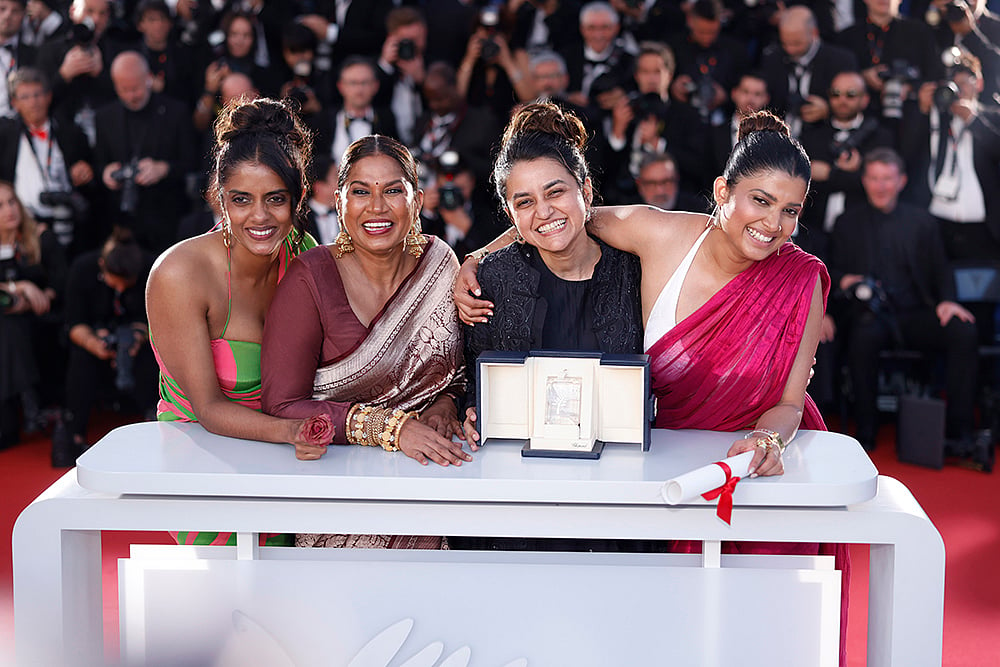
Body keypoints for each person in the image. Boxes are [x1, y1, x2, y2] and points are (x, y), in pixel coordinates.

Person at [456, 109, 849, 665]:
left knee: (768, 631)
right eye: (759, 200)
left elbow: (789, 403)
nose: (773, 224)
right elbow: (557, 213)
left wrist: (768, 442)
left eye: (790, 210)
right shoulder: (658, 233)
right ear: (722, 191)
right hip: (669, 469)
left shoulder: (801, 277)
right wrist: (475, 257)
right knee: (678, 632)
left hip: (756, 471)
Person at [261, 134, 470, 549]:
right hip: (340, 487)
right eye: (360, 191)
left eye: (393, 190)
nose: (376, 206)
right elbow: (281, 405)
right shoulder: (310, 276)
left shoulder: (440, 263)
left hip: (435, 479)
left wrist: (444, 406)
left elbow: (454, 372)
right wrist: (391, 428)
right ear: (339, 202)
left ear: (418, 200)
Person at [146, 97, 329, 544]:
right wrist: (293, 432)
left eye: (276, 199)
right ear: (218, 197)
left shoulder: (303, 253)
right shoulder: (180, 273)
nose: (260, 217)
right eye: (241, 200)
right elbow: (208, 410)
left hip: (292, 461)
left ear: (299, 197)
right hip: (204, 467)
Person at [460, 101, 642, 448]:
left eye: (555, 192)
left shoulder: (635, 271)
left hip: (626, 461)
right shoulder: (492, 279)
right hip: (518, 470)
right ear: (510, 214)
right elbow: (472, 376)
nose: (544, 212)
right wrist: (472, 410)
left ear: (585, 192)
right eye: (525, 202)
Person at [828, 148, 979, 453]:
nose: (881, 186)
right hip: (868, 315)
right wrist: (844, 281)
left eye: (887, 179)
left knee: (963, 331)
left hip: (915, 313)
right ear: (864, 180)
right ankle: (865, 431)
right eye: (874, 178)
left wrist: (947, 301)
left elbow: (941, 268)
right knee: (862, 338)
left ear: (902, 181)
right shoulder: (847, 222)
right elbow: (828, 270)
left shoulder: (922, 222)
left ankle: (957, 433)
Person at [0, 180, 64, 449]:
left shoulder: (40, 237)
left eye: (11, 201)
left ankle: (12, 414)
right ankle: (27, 405)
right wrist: (21, 287)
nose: (8, 210)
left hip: (38, 322)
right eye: (0, 206)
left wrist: (42, 296)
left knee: (10, 326)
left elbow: (61, 283)